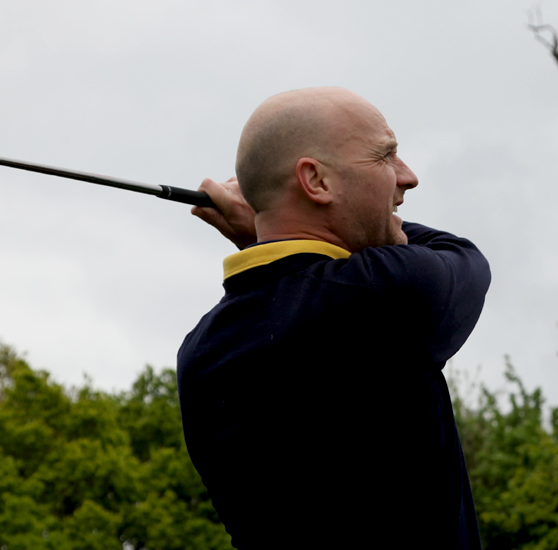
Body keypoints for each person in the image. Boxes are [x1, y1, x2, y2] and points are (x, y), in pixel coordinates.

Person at [177, 87, 490, 549]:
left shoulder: (201, 350)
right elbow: (461, 257)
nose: (408, 177)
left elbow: (292, 285)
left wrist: (268, 224)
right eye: (385, 157)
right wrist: (258, 226)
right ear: (316, 181)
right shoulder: (385, 294)